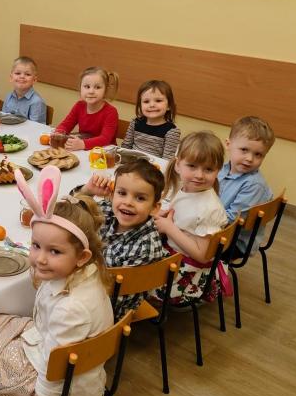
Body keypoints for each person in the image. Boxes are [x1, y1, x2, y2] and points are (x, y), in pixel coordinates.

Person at [0, 166, 113, 396]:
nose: (41, 259)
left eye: (54, 251)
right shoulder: (86, 271)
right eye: (36, 246)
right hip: (51, 345)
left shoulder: (71, 308)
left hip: (58, 386)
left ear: (82, 256)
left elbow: (53, 371)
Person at [85, 158, 166, 318]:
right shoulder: (108, 211)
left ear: (154, 208)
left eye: (140, 198)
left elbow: (115, 298)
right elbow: (73, 214)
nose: (128, 202)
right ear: (111, 195)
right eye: (122, 193)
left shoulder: (145, 248)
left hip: (106, 308)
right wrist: (88, 191)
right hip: (89, 283)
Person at [154, 132, 228, 305]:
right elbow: (185, 217)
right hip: (174, 254)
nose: (199, 175)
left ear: (218, 170)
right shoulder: (188, 188)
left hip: (187, 273)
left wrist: (169, 228)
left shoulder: (210, 209)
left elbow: (202, 255)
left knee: (130, 275)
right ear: (178, 165)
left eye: (208, 169)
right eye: (192, 166)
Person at [218, 116, 274, 256]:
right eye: (244, 149)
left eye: (258, 154)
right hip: (218, 228)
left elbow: (232, 221)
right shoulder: (221, 169)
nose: (249, 158)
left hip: (234, 241)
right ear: (228, 144)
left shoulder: (254, 185)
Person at [55, 67, 119, 151]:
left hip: (104, 153)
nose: (91, 91)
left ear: (106, 90)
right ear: (80, 88)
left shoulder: (111, 112)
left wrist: (83, 144)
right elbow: (65, 125)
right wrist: (57, 135)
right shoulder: (79, 106)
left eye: (97, 87)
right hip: (83, 150)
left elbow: (105, 139)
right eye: (87, 87)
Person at [122, 80, 181, 159]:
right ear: (140, 106)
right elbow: (125, 147)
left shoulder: (172, 131)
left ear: (169, 106)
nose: (152, 105)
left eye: (158, 101)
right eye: (146, 101)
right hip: (130, 163)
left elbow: (167, 160)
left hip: (154, 166)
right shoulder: (135, 122)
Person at [1, 56, 47, 122]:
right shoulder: (9, 96)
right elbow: (3, 119)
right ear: (11, 78)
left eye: (27, 74)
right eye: (18, 73)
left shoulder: (37, 102)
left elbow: (35, 127)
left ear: (34, 80)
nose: (22, 76)